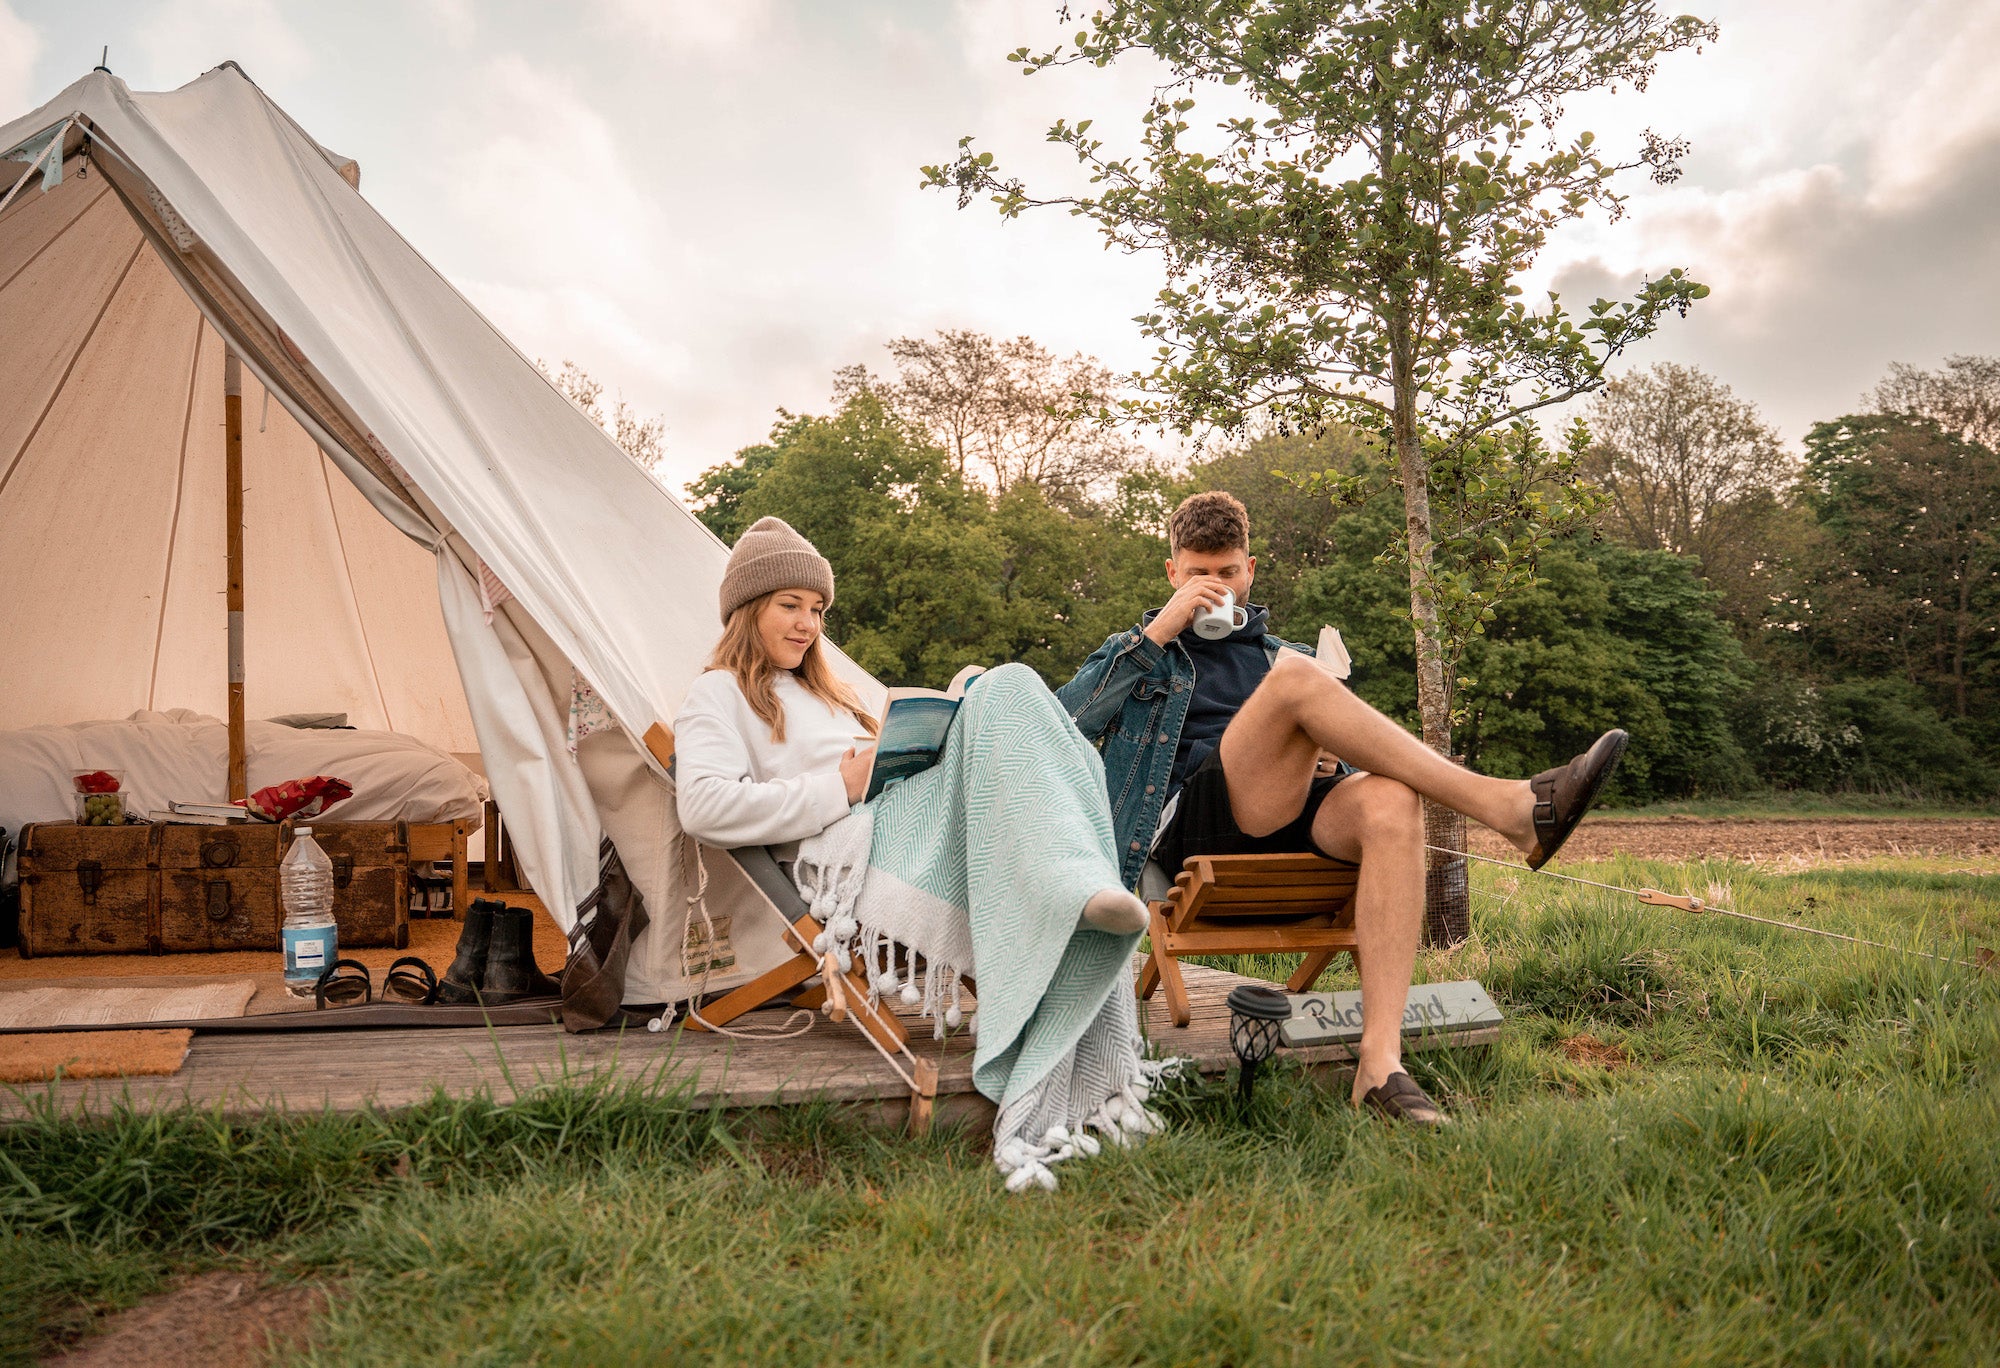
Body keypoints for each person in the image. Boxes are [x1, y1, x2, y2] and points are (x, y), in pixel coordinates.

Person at [1056, 491, 1628, 1125]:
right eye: (1197, 573)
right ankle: (1509, 807)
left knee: (1386, 796)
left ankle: (1381, 1065)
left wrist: (1331, 765)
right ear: (1172, 573)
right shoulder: (1143, 651)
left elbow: (1347, 763)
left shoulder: (1277, 653)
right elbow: (1065, 722)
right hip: (1191, 829)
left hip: (1288, 819)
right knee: (1302, 680)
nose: (1211, 586)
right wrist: (1159, 631)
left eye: (1225, 572)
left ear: (1250, 571)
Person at [674, 517, 1161, 1189]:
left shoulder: (830, 694)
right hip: (855, 849)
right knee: (1007, 686)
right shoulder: (718, 694)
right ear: (746, 609)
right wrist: (836, 784)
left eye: (816, 610)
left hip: (906, 819)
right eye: (790, 605)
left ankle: (1071, 886)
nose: (808, 623)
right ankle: (1068, 889)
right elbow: (701, 806)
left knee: (1003, 690)